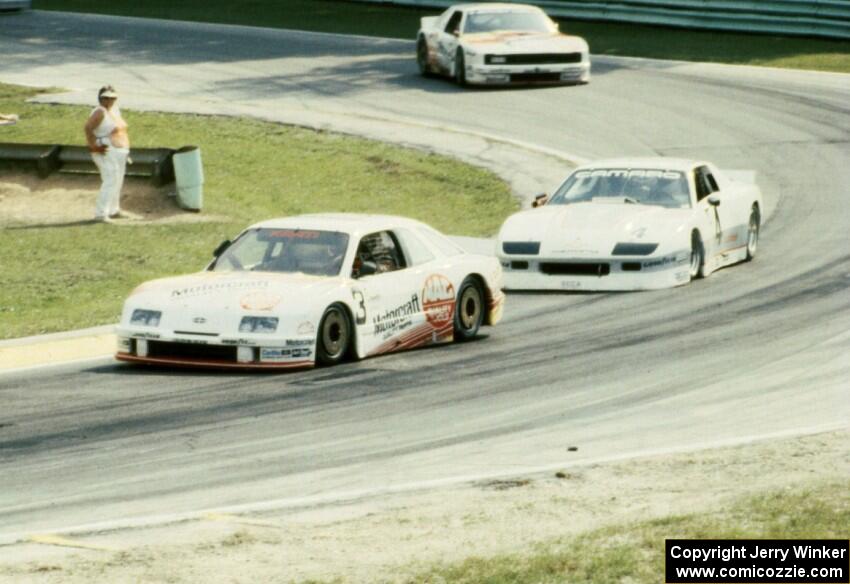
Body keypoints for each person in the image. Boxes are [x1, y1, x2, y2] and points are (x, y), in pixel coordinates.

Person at [84, 85, 130, 222]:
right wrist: (93, 147)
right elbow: (88, 128)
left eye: (112, 97)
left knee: (118, 179)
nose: (109, 100)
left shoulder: (115, 110)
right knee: (111, 179)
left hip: (119, 151)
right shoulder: (99, 112)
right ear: (100, 98)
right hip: (105, 149)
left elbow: (121, 130)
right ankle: (100, 214)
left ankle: (113, 210)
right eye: (106, 98)